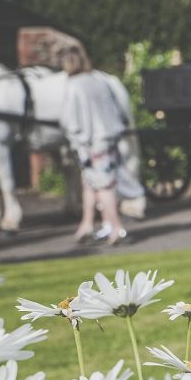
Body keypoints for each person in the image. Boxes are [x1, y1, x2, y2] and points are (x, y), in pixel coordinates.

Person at [60, 45, 130, 246]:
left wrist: (76, 139)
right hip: (109, 139)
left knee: (103, 186)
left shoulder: (74, 85)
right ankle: (87, 224)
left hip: (91, 143)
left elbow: (70, 119)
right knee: (89, 183)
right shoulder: (99, 80)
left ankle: (116, 228)